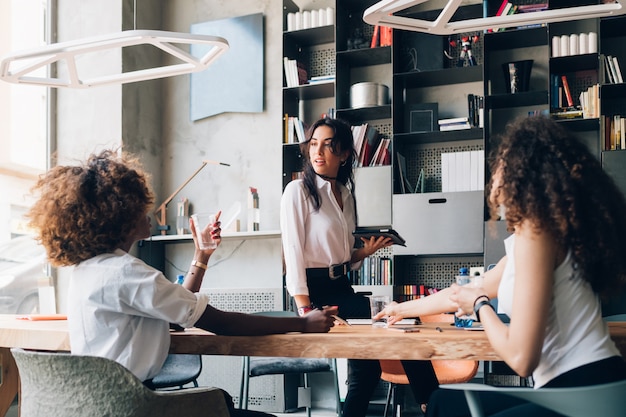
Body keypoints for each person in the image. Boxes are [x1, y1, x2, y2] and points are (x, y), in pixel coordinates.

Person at [26, 149, 337, 417]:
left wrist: (201, 257)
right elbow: (221, 323)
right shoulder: (126, 272)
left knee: (225, 404)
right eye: (139, 205)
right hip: (134, 406)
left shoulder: (89, 271)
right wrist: (303, 324)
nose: (148, 209)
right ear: (118, 216)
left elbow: (176, 308)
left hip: (99, 405)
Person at [375, 115, 626, 417]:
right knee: (443, 402)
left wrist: (481, 305)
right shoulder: (543, 235)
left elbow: (521, 359)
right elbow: (463, 292)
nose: (495, 173)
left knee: (447, 407)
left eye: (503, 162)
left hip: (579, 394)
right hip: (599, 386)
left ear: (523, 171)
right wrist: (400, 309)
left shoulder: (537, 233)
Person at [280, 117, 440, 417]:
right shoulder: (297, 192)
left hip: (342, 288)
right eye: (314, 144)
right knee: (399, 328)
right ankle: (434, 406)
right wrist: (304, 311)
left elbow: (341, 258)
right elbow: (293, 254)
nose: (319, 152)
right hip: (317, 296)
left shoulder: (344, 195)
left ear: (343, 154)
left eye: (329, 146)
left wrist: (363, 252)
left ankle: (433, 405)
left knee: (367, 373)